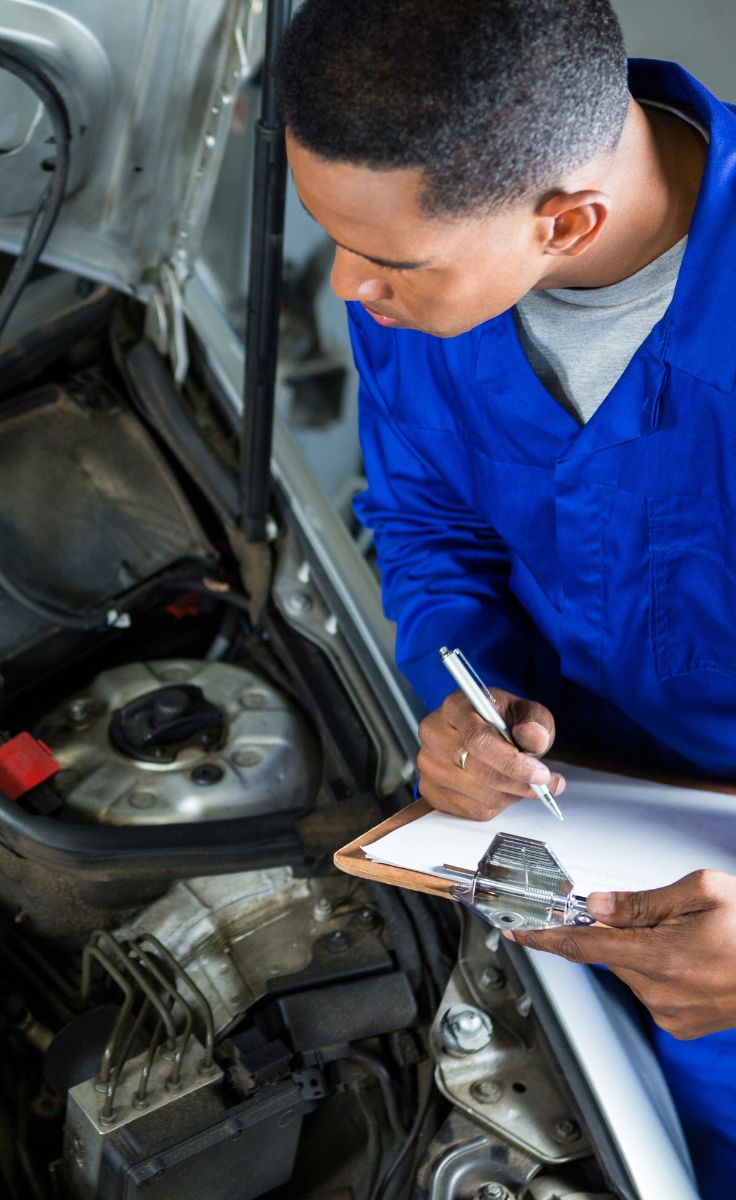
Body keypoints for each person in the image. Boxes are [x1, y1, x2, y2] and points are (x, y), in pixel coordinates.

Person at [275, 0, 736, 1193]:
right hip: (563, 856)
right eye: (331, 234)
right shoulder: (430, 285)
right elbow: (428, 527)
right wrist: (466, 690)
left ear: (567, 221)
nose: (348, 287)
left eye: (388, 260)